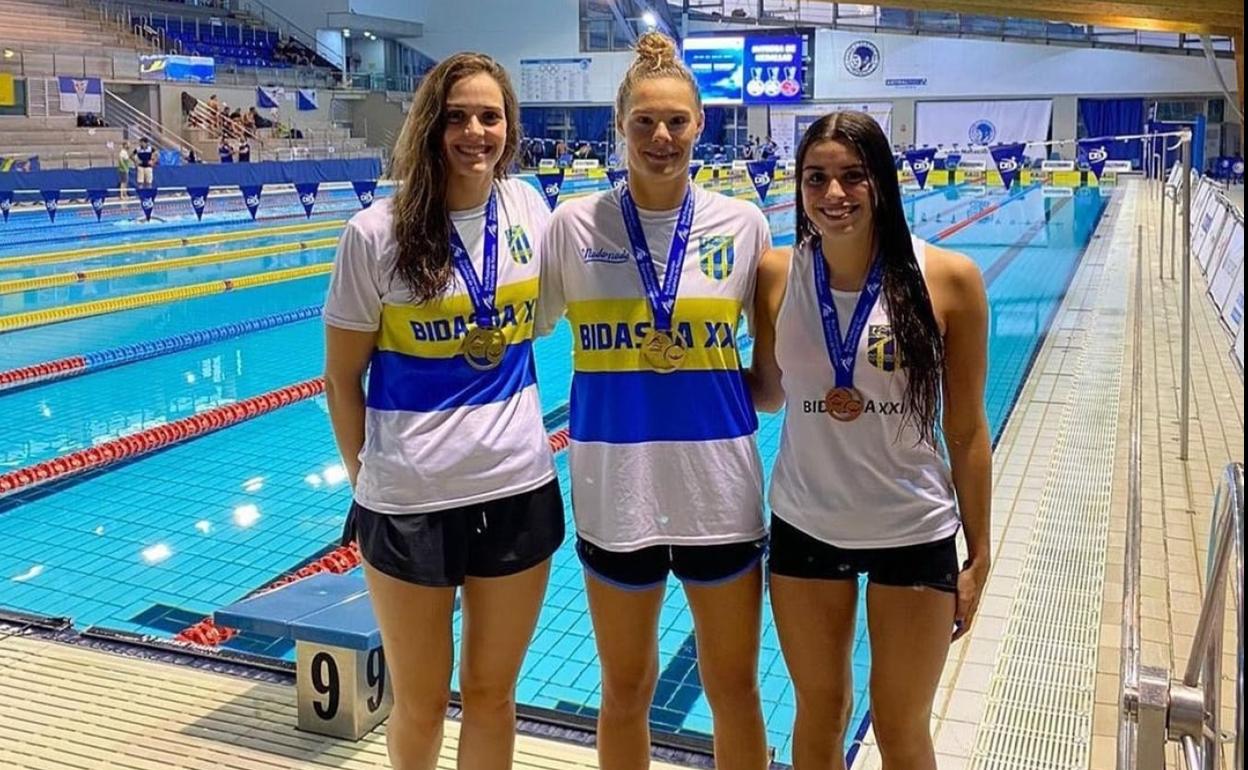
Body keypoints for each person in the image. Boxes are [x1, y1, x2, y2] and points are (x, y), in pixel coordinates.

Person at [536, 31, 770, 770]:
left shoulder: (743, 225)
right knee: (625, 689)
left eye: (676, 121)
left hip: (719, 491)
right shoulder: (572, 226)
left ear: (701, 125)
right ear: (621, 127)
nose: (661, 137)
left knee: (734, 687)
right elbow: (518, 326)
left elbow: (768, 377)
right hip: (615, 490)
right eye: (645, 122)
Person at [323, 52, 562, 770]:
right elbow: (341, 378)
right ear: (429, 126)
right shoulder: (376, 233)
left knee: (493, 695)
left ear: (509, 128)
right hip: (409, 503)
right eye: (457, 116)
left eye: (490, 117)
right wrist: (368, 476)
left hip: (518, 486)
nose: (475, 132)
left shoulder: (526, 207)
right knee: (422, 703)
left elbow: (543, 322)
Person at [746, 111, 992, 770]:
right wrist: (681, 377)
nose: (834, 195)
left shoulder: (949, 280)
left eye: (853, 176)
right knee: (820, 712)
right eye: (816, 178)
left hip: (912, 526)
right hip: (806, 521)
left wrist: (980, 553)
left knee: (899, 724)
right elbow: (768, 392)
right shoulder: (775, 275)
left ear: (881, 181)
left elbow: (965, 429)